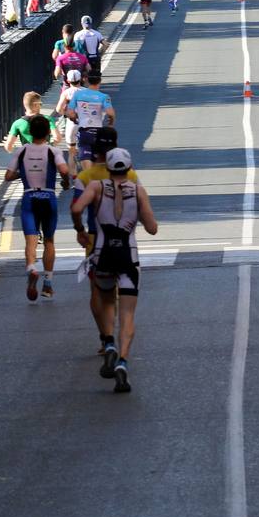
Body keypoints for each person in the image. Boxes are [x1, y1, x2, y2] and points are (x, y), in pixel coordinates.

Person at [71, 148, 158, 393]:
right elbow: (152, 228)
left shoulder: (97, 187)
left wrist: (79, 228)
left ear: (108, 168)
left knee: (107, 300)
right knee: (128, 312)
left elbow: (77, 209)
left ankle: (108, 343)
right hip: (128, 256)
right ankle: (122, 361)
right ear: (129, 169)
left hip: (102, 252)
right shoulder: (138, 190)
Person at [5, 116, 69, 302]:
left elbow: (8, 176)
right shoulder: (53, 151)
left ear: (30, 132)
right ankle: (47, 285)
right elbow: (64, 171)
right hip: (48, 197)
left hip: (29, 197)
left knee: (31, 241)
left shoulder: (22, 151)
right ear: (49, 132)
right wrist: (65, 182)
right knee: (49, 240)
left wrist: (23, 172)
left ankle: (32, 268)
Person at [60, 69, 116, 169]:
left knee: (86, 167)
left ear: (86, 80)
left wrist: (75, 118)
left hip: (84, 132)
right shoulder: (104, 97)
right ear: (100, 81)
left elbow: (69, 112)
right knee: (97, 165)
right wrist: (111, 123)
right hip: (98, 133)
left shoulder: (78, 95)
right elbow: (110, 113)